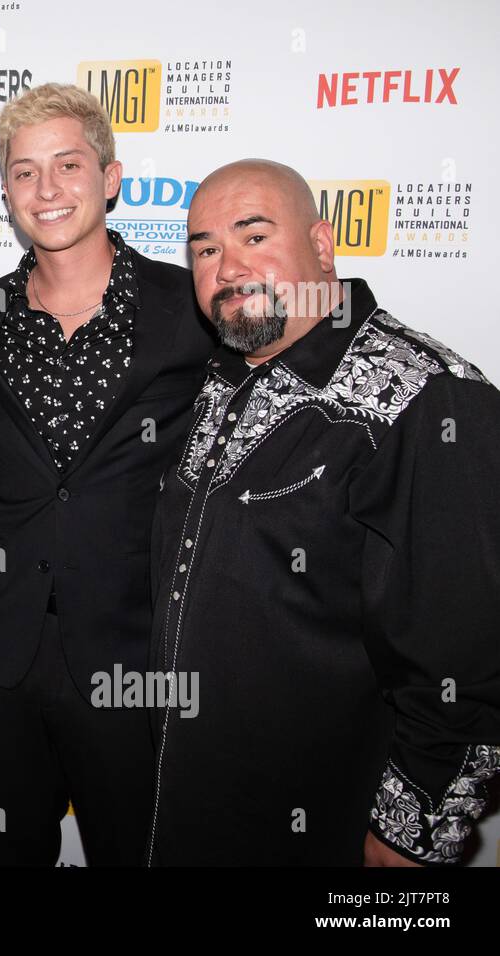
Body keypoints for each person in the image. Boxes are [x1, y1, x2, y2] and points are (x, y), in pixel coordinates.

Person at [147, 158, 500, 865]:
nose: (227, 265)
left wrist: (410, 836)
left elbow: (470, 655)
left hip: (325, 821)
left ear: (324, 243)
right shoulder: (219, 378)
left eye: (254, 236)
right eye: (206, 249)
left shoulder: (428, 398)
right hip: (188, 800)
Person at [0, 83, 215, 866]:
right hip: (5, 649)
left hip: (133, 653)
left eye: (68, 164)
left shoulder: (186, 304)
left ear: (111, 177)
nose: (47, 189)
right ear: (5, 192)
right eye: (24, 172)